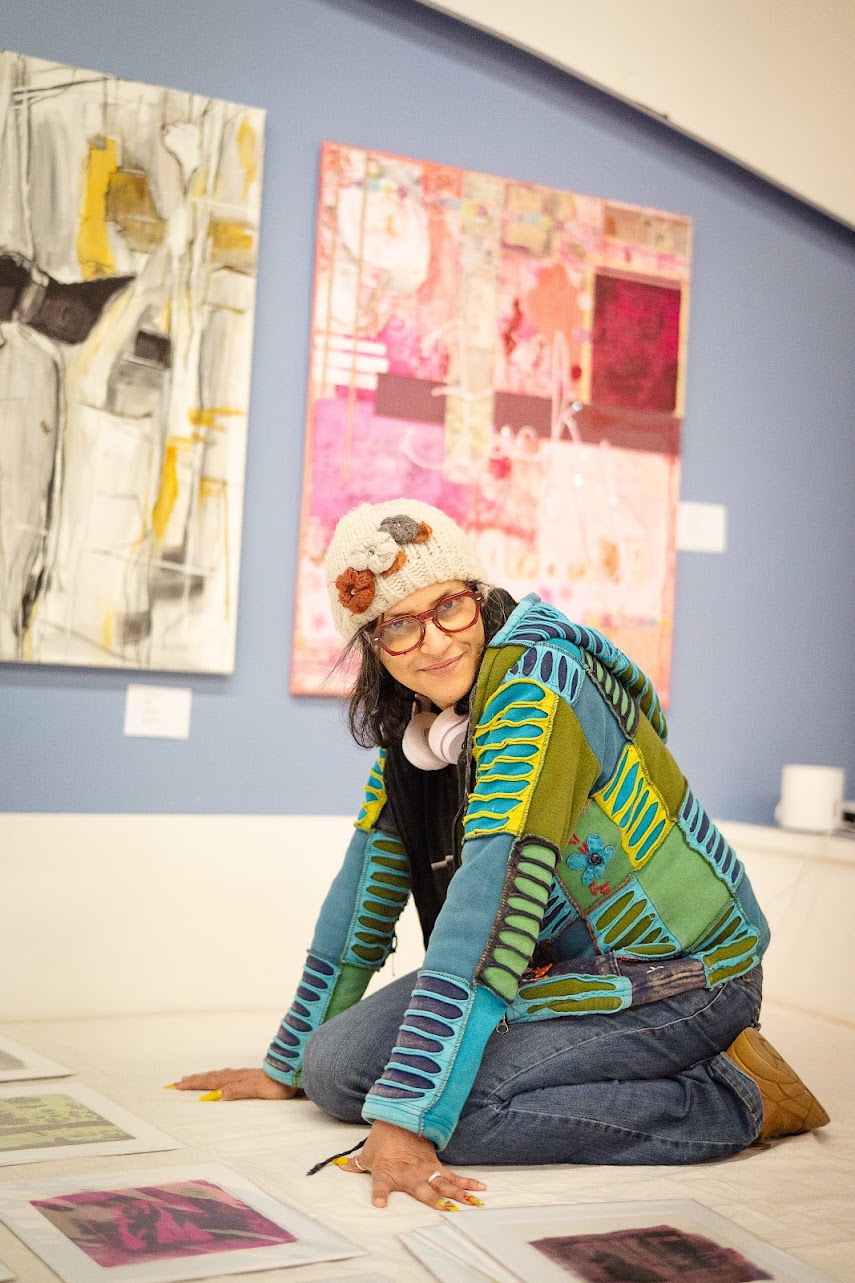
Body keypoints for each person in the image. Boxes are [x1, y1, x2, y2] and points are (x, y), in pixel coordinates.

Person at [174, 498, 828, 1211]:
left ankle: (733, 1098)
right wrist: (285, 1064)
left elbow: (487, 904)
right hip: (557, 968)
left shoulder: (536, 690)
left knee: (448, 1114)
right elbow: (362, 889)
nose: (434, 641)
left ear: (478, 597)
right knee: (330, 1070)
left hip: (684, 976)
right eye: (398, 624)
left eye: (449, 606)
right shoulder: (423, 728)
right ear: (371, 644)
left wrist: (408, 1118)